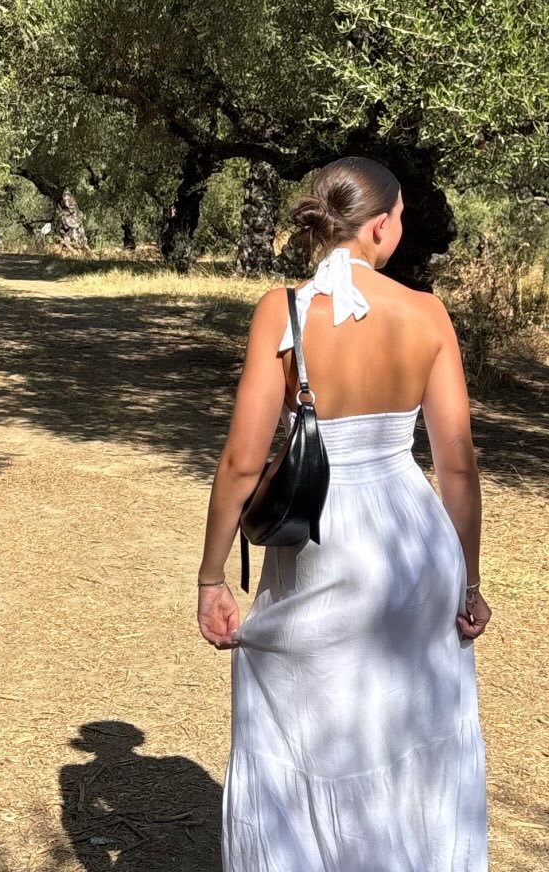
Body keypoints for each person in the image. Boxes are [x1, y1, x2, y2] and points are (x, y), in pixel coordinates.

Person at [196, 156, 491, 871]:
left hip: (322, 535)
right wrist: (470, 579)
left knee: (304, 717)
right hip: (411, 537)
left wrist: (211, 576)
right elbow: (456, 463)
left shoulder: (283, 311)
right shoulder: (427, 314)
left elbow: (242, 461)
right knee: (407, 724)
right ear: (381, 227)